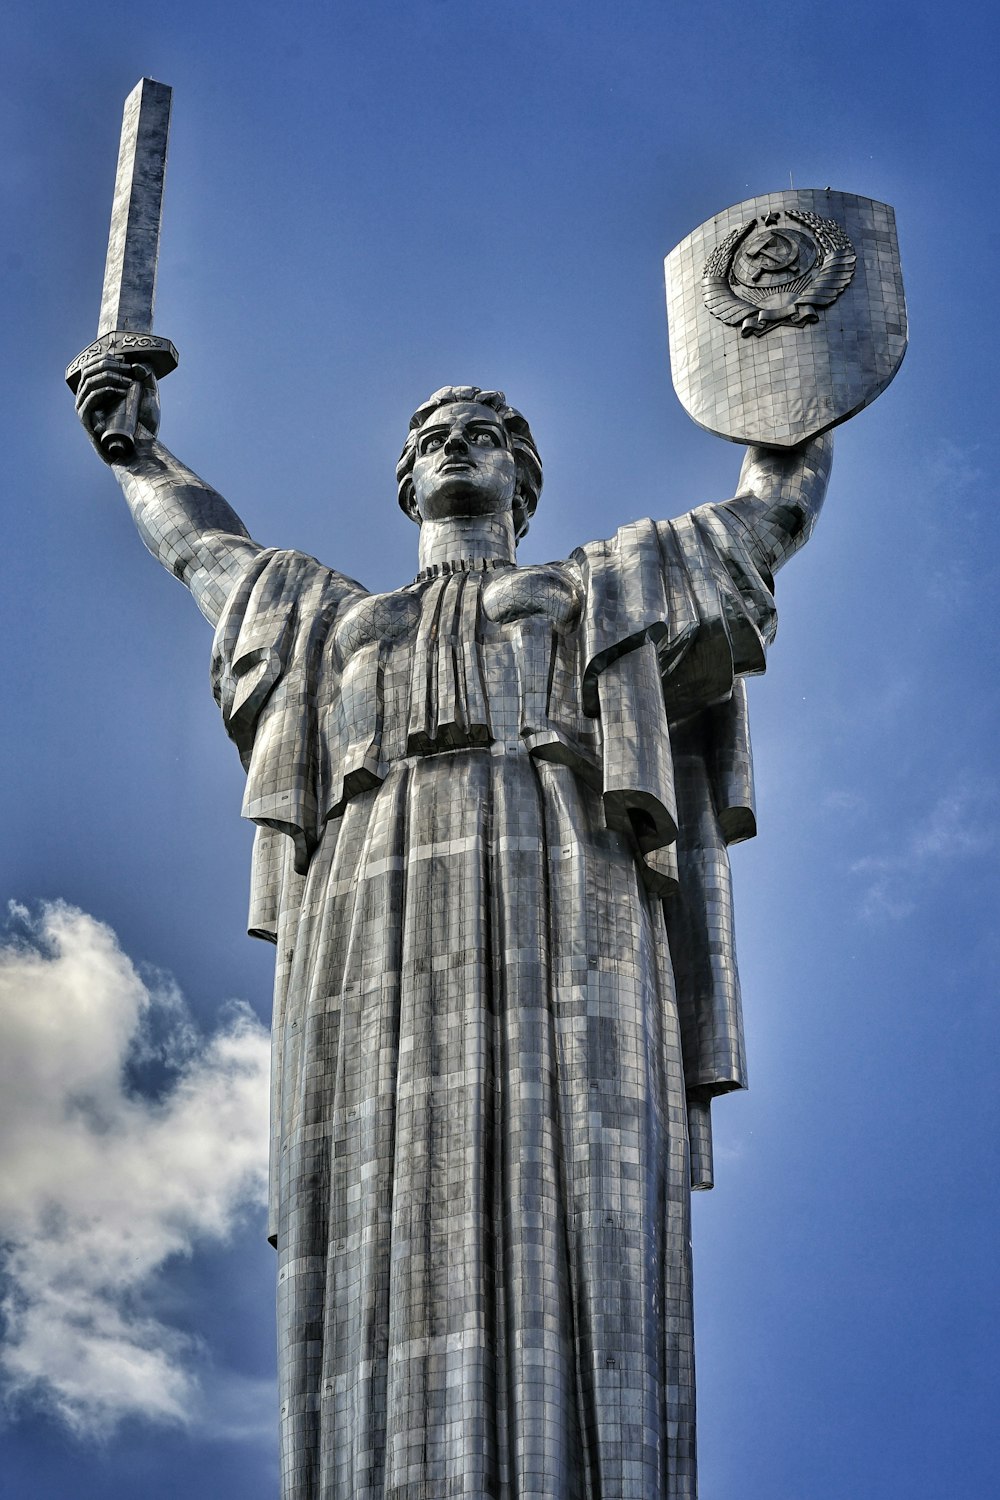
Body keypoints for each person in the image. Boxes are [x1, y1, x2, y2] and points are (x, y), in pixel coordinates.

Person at [73, 357, 832, 1500]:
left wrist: (795, 391)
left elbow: (764, 519)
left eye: (485, 434)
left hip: (559, 860)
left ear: (521, 481)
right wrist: (137, 454)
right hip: (369, 885)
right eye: (435, 432)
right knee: (375, 1187)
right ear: (405, 479)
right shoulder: (331, 618)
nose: (456, 442)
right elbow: (204, 553)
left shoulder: (596, 586)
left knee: (577, 1163)